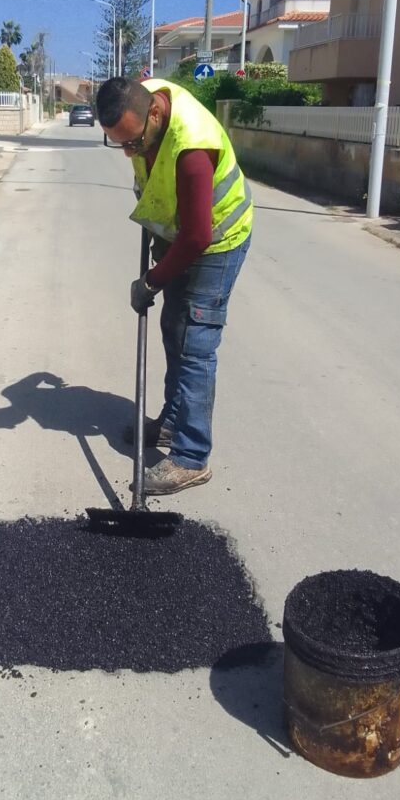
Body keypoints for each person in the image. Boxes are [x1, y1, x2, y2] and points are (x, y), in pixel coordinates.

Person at [96, 76, 252, 495]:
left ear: (156, 114)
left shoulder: (192, 150)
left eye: (133, 142)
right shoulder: (142, 101)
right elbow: (158, 185)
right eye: (119, 144)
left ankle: (191, 457)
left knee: (196, 345)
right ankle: (172, 421)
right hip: (182, 236)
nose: (128, 151)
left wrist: (152, 280)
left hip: (220, 241)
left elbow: (199, 236)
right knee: (174, 331)